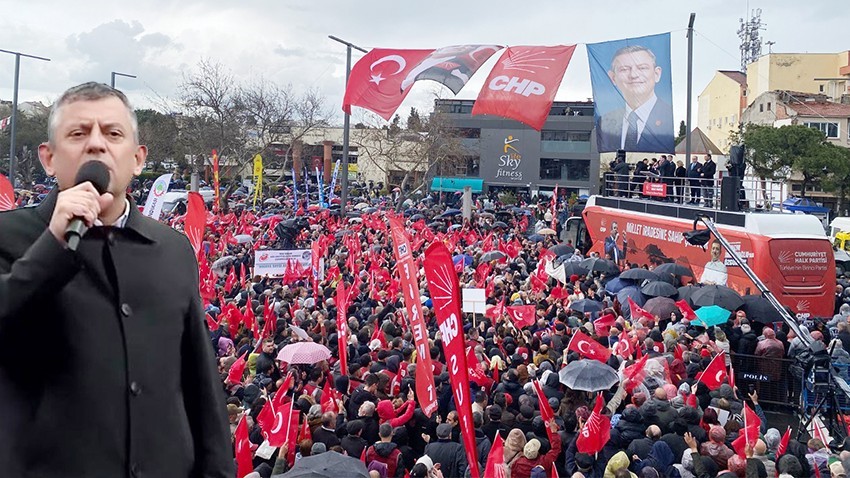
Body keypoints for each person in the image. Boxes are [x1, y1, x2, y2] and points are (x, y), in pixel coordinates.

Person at [0, 82, 232, 476]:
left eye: (113, 133)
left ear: (138, 158)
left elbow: (200, 386)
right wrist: (54, 244)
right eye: (78, 134)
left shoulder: (172, 249)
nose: (96, 145)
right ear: (49, 158)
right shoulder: (8, 237)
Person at [597, 45, 675, 153]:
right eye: (624, 69)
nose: (633, 75)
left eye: (642, 68)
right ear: (613, 78)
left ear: (657, 74)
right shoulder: (605, 123)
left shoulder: (668, 116)